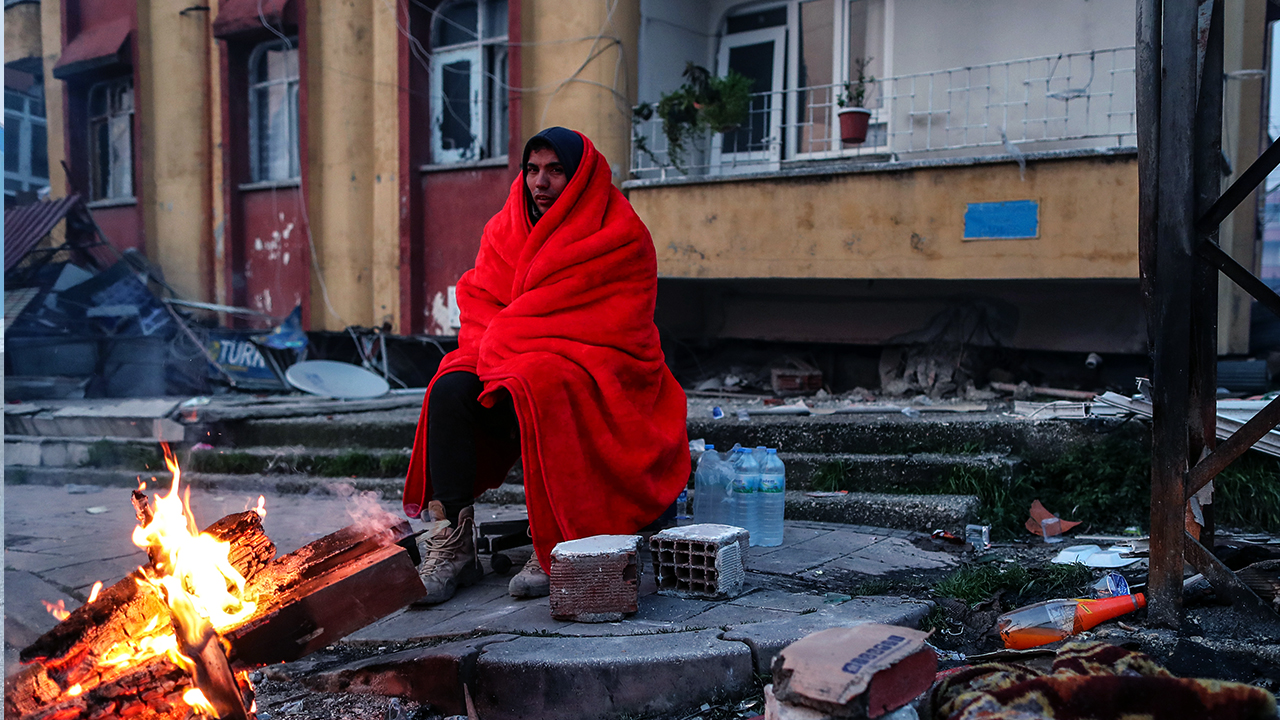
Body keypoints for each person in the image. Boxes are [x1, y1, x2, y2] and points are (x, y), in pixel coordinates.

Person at [402, 127, 691, 604]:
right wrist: (507, 345)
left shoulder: (621, 233)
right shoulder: (504, 227)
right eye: (533, 170)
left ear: (579, 176)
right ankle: (453, 546)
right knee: (450, 386)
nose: (541, 182)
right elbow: (480, 301)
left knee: (544, 380)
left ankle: (556, 537)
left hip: (593, 366)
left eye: (556, 170)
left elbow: (621, 324)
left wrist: (520, 345)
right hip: (505, 355)